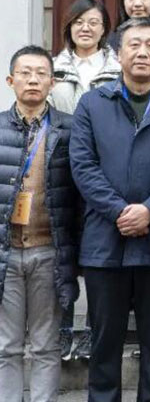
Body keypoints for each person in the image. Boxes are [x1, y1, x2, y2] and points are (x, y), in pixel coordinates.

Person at [69, 17, 150, 402]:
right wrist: (119, 211)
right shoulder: (92, 103)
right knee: (104, 346)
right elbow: (83, 166)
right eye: (134, 44)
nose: (142, 52)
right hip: (104, 243)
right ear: (118, 53)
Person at [0, 45, 79, 402]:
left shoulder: (70, 129)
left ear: (52, 82)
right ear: (10, 80)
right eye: (25, 73)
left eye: (41, 73)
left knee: (47, 345)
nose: (33, 80)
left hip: (50, 251)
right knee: (7, 346)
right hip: (6, 253)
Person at [49, 0, 121, 363]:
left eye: (93, 22)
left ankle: (93, 332)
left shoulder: (118, 68)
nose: (86, 28)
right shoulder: (53, 67)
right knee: (62, 251)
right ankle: (62, 332)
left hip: (104, 166)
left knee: (98, 253)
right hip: (59, 162)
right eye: (79, 21)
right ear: (68, 26)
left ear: (105, 28)